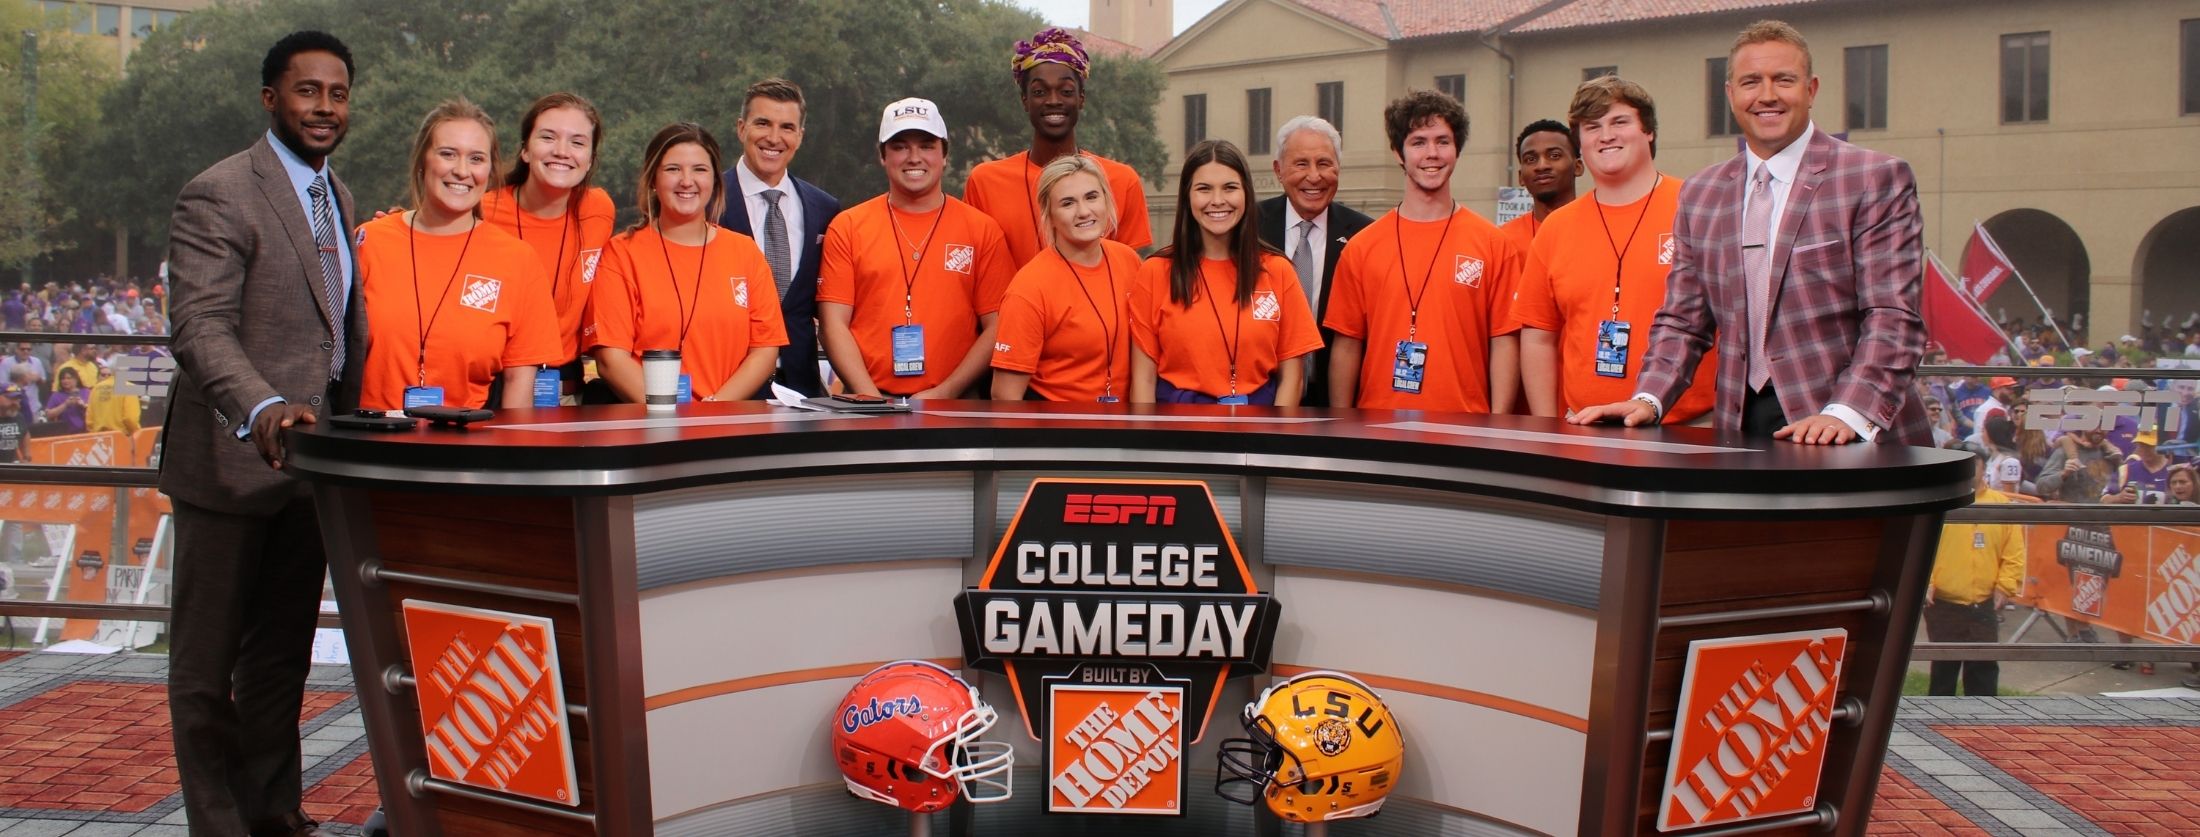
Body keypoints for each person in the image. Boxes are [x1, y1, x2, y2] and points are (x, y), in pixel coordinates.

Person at [161, 30, 365, 837]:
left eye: (338, 93)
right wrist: (262, 406)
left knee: (281, 659)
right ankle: (219, 825)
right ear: (270, 98)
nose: (325, 107)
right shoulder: (219, 192)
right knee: (205, 671)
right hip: (230, 461)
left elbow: (331, 332)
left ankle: (275, 812)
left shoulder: (336, 195)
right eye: (308, 91)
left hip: (307, 471)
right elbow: (199, 326)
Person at [1572, 20, 1928, 445]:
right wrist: (1649, 398)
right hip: (1740, 431)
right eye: (1751, 82)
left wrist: (1848, 413)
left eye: (1784, 80)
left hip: (1849, 433)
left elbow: (1893, 318)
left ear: (1811, 90)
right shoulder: (1702, 193)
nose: (1767, 95)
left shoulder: (1873, 178)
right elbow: (1684, 321)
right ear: (1731, 95)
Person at [1513, 77, 1714, 423]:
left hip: (1689, 427)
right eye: (1592, 127)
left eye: (1619, 121)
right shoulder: (1556, 229)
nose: (1606, 135)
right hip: (1584, 427)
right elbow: (1538, 338)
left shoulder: (1697, 208)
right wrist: (1547, 429)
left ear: (1648, 131)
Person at [353, 100, 563, 412]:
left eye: (476, 158)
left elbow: (520, 384)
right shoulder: (369, 242)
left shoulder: (518, 260)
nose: (462, 171)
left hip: (467, 448)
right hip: (369, 441)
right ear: (423, 159)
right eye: (448, 153)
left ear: (490, 170)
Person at [1322, 89, 1521, 412]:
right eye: (1418, 142)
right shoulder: (1361, 248)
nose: (1432, 153)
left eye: (1443, 141)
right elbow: (1347, 346)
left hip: (1466, 429)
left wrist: (1497, 423)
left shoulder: (1493, 244)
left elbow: (1504, 341)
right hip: (1378, 431)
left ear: (1457, 150)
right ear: (1399, 153)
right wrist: (1343, 426)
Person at [816, 98, 1014, 399]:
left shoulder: (981, 229)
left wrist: (947, 392)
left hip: (955, 405)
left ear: (944, 154)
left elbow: (998, 326)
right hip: (868, 402)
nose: (914, 157)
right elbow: (832, 325)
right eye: (900, 147)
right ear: (882, 156)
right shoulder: (848, 226)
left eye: (926, 145)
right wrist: (871, 399)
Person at [587, 122, 787, 403]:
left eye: (699, 169)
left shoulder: (745, 252)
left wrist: (714, 411)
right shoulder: (621, 254)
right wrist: (670, 416)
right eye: (672, 169)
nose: (686, 180)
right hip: (650, 426)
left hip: (726, 425)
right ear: (653, 180)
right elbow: (611, 358)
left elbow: (764, 350)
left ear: (716, 181)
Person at [1132, 140, 1321, 406]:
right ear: (1187, 196)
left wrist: (1275, 440)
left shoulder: (1278, 271)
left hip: (1257, 433)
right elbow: (1143, 380)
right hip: (1177, 433)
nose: (1217, 200)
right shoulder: (1155, 272)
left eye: (1230, 188)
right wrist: (1147, 444)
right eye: (1204, 189)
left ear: (1246, 193)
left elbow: (1292, 378)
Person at [964, 27, 1152, 268]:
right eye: (1040, 92)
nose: (1053, 101)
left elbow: (1127, 274)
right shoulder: (985, 182)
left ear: (1081, 98)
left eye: (1065, 91)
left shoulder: (1121, 181)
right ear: (1025, 100)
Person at [476, 92, 616, 406]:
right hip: (492, 396)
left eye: (578, 142)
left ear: (591, 158)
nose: (562, 151)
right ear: (525, 149)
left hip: (567, 394)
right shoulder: (481, 212)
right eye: (548, 137)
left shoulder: (599, 210)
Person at [718, 79, 842, 398]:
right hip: (724, 390)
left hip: (803, 392)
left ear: (799, 136)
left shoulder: (825, 209)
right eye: (763, 123)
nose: (774, 138)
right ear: (741, 127)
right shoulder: (706, 203)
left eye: (787, 127)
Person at [990, 155, 1141, 401]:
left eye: (1092, 197)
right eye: (1068, 203)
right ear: (1049, 215)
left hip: (1124, 424)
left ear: (1107, 200)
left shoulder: (1129, 261)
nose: (1083, 211)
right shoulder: (1029, 288)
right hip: (1058, 431)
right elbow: (1005, 397)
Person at [1256, 116, 1371, 408]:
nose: (1314, 176)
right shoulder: (1249, 228)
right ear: (1278, 170)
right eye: (1301, 164)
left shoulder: (1364, 236)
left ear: (1338, 169)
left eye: (1324, 163)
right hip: (1260, 396)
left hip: (1337, 402)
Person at [1924, 448, 2025, 696]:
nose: (1968, 471)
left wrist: (2005, 586)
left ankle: (1982, 725)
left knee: (1983, 669)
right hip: (1943, 603)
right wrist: (1926, 582)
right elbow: (1922, 547)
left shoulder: (2001, 506)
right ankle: (1936, 723)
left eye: (1973, 464)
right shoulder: (1938, 504)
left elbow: (2014, 552)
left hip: (1983, 604)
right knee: (1943, 671)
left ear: (1984, 467)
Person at [1500, 119, 1581, 252]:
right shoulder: (1503, 241)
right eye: (1530, 159)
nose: (1542, 166)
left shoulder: (1602, 229)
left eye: (1554, 155)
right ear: (1521, 177)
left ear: (1577, 167)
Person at [2103, 429, 2173, 504]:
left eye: (2149, 446)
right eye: (2141, 445)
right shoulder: (2125, 470)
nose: (2144, 449)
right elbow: (2104, 500)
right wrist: (2119, 498)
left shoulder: (2173, 471)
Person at [38, 366, 87, 433]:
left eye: (69, 378)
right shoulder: (56, 395)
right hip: (65, 431)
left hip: (84, 430)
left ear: (76, 379)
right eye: (63, 379)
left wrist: (83, 405)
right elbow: (47, 415)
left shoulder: (86, 392)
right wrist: (65, 405)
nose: (65, 381)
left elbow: (93, 410)